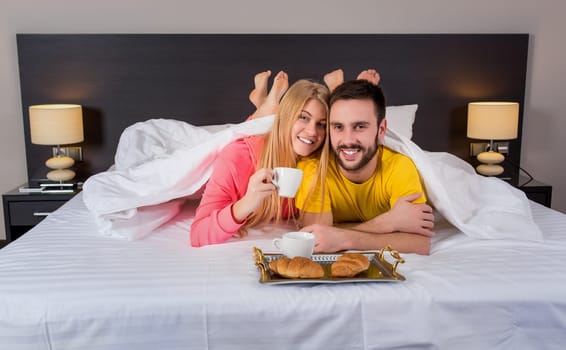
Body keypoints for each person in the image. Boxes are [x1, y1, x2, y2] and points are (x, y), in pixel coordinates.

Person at [295, 78, 435, 255]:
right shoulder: (314, 169)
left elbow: (419, 243)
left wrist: (345, 238)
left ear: (381, 130)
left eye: (359, 126)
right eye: (338, 127)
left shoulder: (399, 167)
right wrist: (387, 222)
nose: (347, 140)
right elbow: (316, 238)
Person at [190, 71, 330, 247]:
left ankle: (263, 103)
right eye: (303, 117)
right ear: (285, 117)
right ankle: (265, 106)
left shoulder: (317, 165)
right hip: (255, 142)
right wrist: (247, 202)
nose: (312, 131)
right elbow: (197, 234)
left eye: (322, 124)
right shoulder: (236, 158)